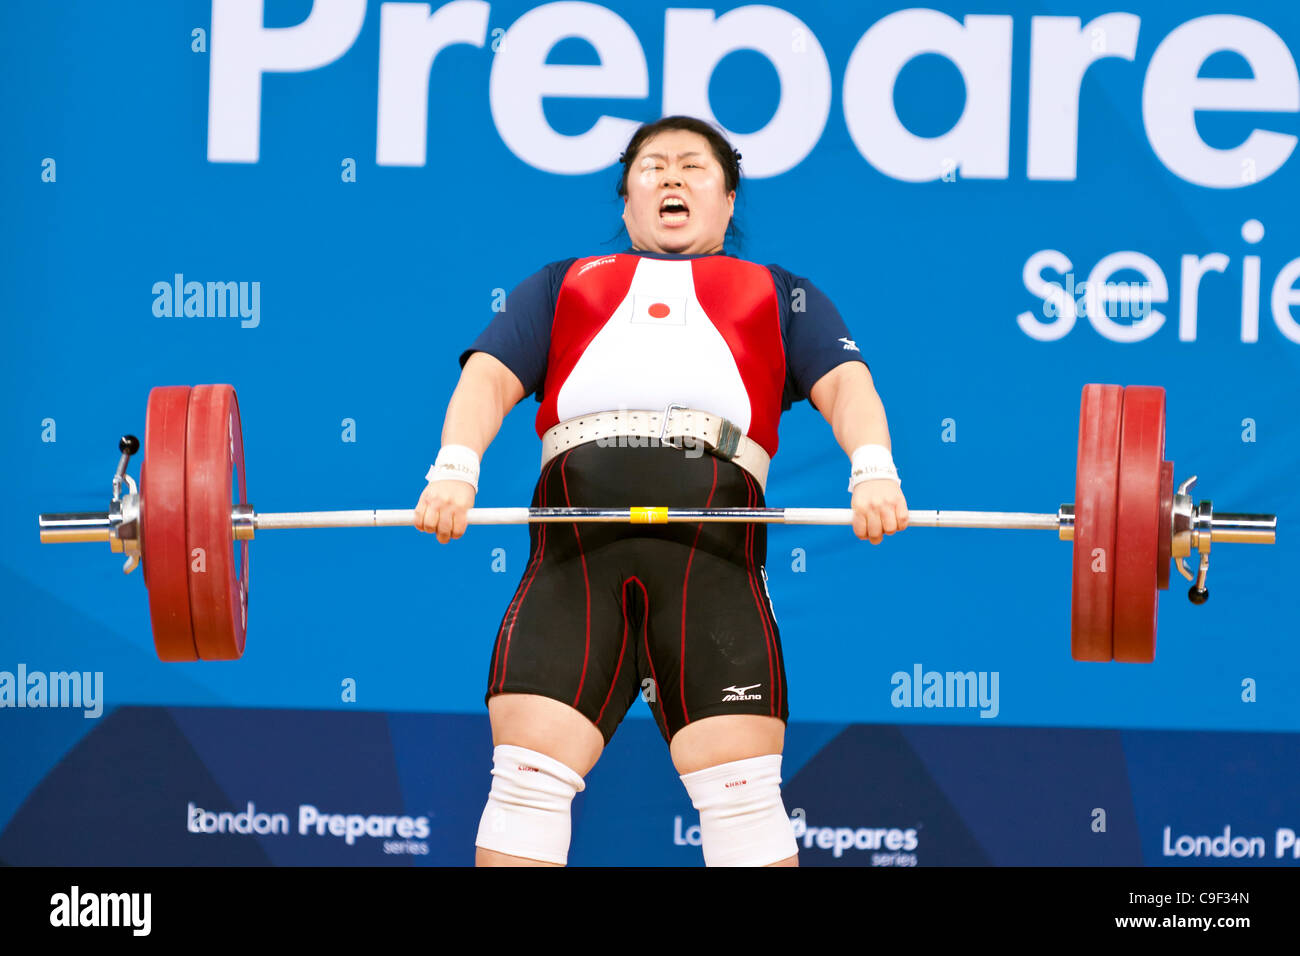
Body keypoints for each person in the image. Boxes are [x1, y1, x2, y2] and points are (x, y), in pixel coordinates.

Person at [413, 115, 909, 867]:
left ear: (728, 198)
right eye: (652, 167)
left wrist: (873, 466)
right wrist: (453, 466)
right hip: (573, 566)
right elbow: (487, 377)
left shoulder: (782, 293)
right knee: (526, 789)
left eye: (693, 167)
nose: (672, 178)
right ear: (626, 204)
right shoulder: (564, 282)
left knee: (745, 804)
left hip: (713, 569)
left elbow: (848, 386)